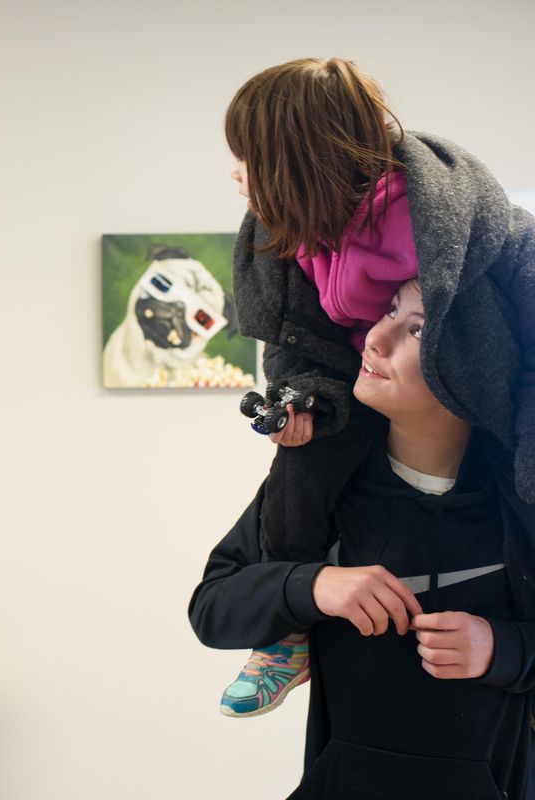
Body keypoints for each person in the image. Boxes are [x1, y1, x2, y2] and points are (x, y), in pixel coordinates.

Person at [217, 57, 535, 717]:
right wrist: (302, 400)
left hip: (484, 384)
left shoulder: (429, 221)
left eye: (247, 157)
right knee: (299, 466)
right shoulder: (295, 233)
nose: (235, 173)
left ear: (296, 160)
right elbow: (296, 338)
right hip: (372, 385)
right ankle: (285, 634)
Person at [190, 280, 535, 799]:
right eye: (390, 310)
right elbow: (212, 607)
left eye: (416, 329)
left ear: (476, 366)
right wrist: (312, 586)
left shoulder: (519, 502)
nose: (375, 338)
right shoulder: (318, 487)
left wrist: (503, 648)